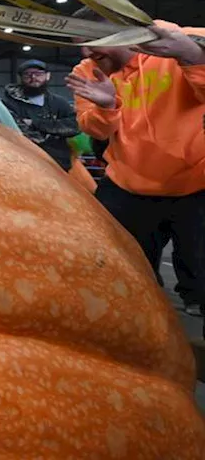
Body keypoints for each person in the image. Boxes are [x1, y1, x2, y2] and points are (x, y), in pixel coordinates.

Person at [65, 19, 205, 314]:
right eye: (80, 45)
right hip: (128, 184)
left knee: (199, 269)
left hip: (196, 183)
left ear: (124, 31)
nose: (85, 53)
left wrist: (193, 58)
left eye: (92, 40)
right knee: (124, 273)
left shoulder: (183, 42)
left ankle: (195, 297)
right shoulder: (87, 72)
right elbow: (94, 130)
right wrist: (106, 106)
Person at [0, 59, 79, 169]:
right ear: (21, 78)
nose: (33, 78)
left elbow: (75, 126)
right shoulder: (9, 103)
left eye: (38, 74)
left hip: (56, 162)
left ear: (48, 76)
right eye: (27, 74)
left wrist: (35, 123)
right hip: (21, 160)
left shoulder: (59, 103)